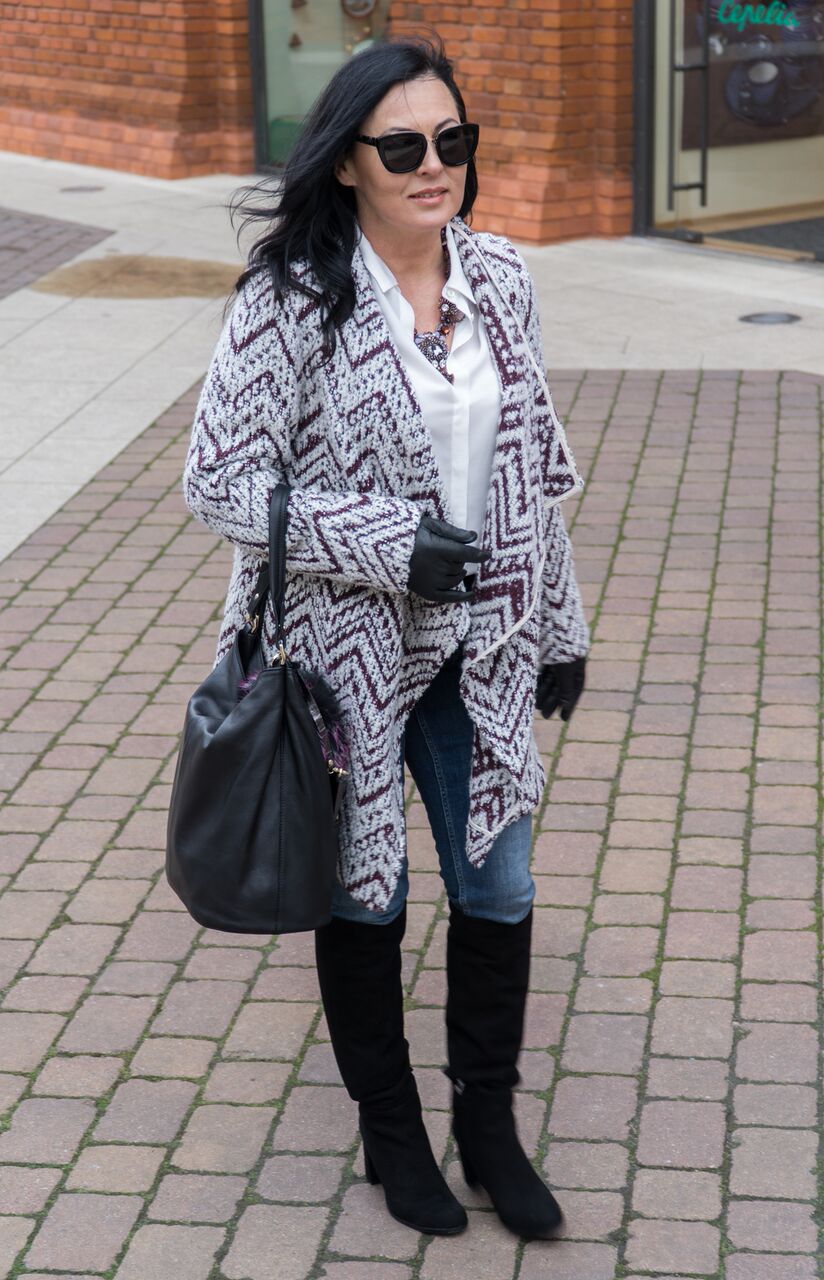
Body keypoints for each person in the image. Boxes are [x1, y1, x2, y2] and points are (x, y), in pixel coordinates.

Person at [183, 34, 589, 1243]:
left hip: (482, 643)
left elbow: (530, 471)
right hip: (341, 658)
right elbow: (218, 481)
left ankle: (489, 1128)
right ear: (346, 160)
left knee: (498, 881)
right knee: (368, 893)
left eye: (451, 140)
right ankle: (392, 1130)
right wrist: (384, 540)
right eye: (402, 146)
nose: (433, 165)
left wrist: (558, 624)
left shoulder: (501, 275)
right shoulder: (291, 301)